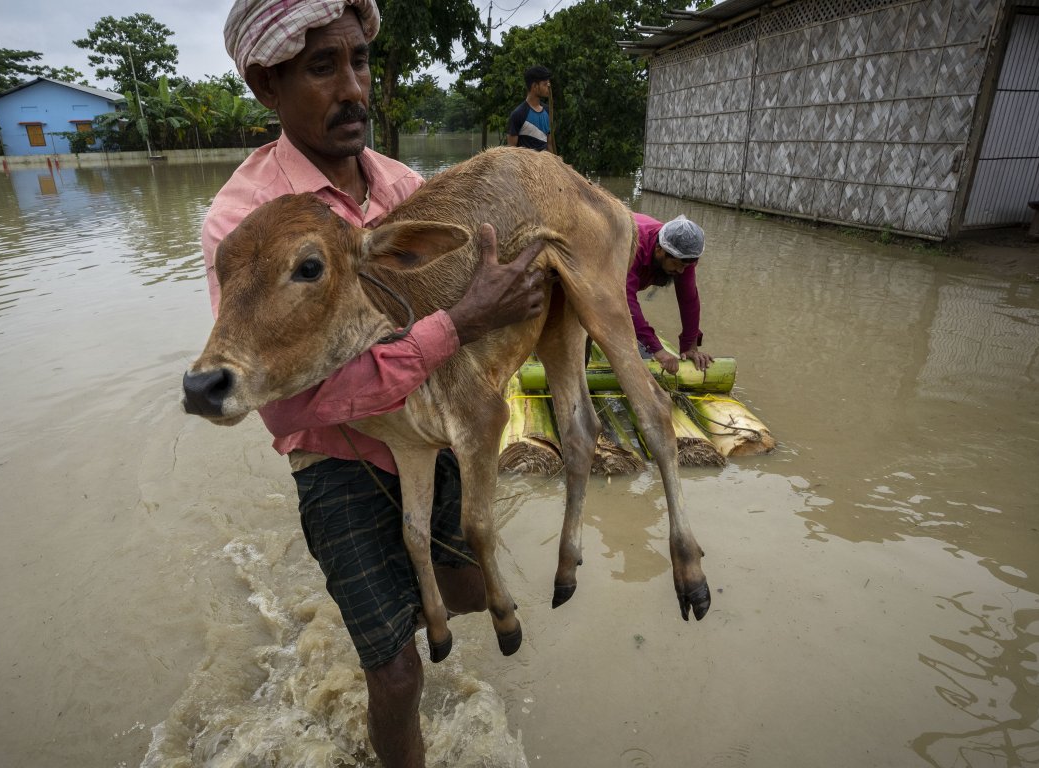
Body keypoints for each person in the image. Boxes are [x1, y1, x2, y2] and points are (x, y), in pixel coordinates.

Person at [203, 2, 545, 766]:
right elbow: (288, 398)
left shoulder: (406, 192)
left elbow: (469, 304)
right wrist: (455, 324)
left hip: (427, 432)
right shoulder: (244, 224)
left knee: (459, 596)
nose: (353, 87)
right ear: (268, 85)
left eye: (359, 61)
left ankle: (411, 602)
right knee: (394, 675)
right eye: (323, 67)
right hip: (335, 461)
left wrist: (512, 311)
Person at [626, 213, 714, 374]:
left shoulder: (682, 255)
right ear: (659, 249)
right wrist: (656, 348)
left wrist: (690, 347)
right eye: (677, 264)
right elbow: (625, 299)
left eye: (686, 266)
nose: (681, 271)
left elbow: (689, 300)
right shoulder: (633, 246)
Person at [506, 65, 554, 152]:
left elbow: (549, 144)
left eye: (548, 83)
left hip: (545, 164)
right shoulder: (518, 114)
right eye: (545, 84)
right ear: (535, 86)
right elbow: (511, 151)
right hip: (526, 165)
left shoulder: (548, 111)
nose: (549, 86)